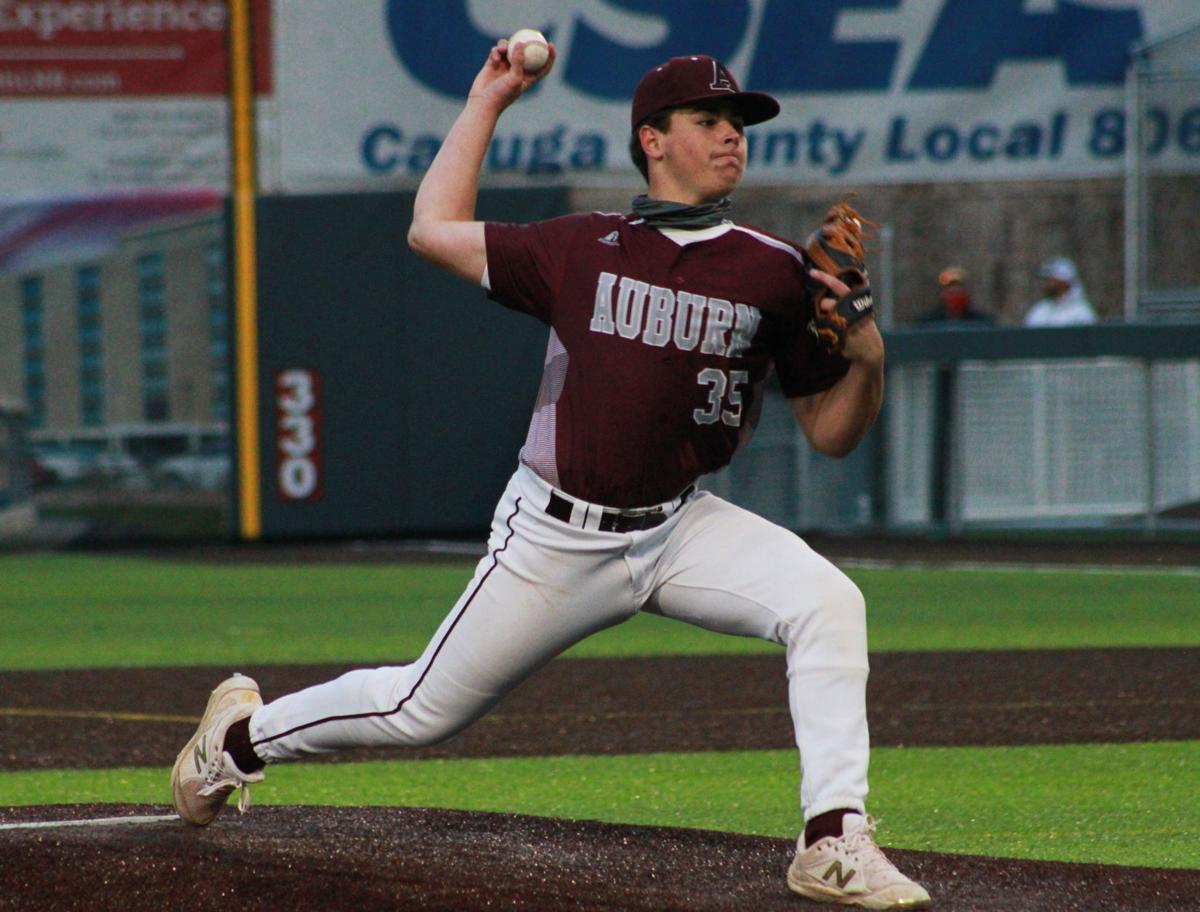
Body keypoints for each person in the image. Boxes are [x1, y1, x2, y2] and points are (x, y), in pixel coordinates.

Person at [171, 42, 931, 911]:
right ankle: (238, 740)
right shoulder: (584, 247)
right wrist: (488, 99)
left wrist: (868, 359)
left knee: (829, 602)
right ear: (652, 138)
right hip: (556, 537)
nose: (733, 137)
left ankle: (832, 839)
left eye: (740, 124)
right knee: (420, 709)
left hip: (680, 527)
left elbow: (831, 434)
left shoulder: (776, 271)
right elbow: (431, 230)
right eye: (710, 121)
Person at [1024, 257, 1096, 327]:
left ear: (1064, 281)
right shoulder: (1040, 310)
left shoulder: (1081, 312)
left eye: (1050, 279)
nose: (1045, 284)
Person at [915, 266, 994, 324]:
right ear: (943, 295)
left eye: (958, 293)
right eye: (951, 294)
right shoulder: (928, 322)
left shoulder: (981, 322)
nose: (955, 297)